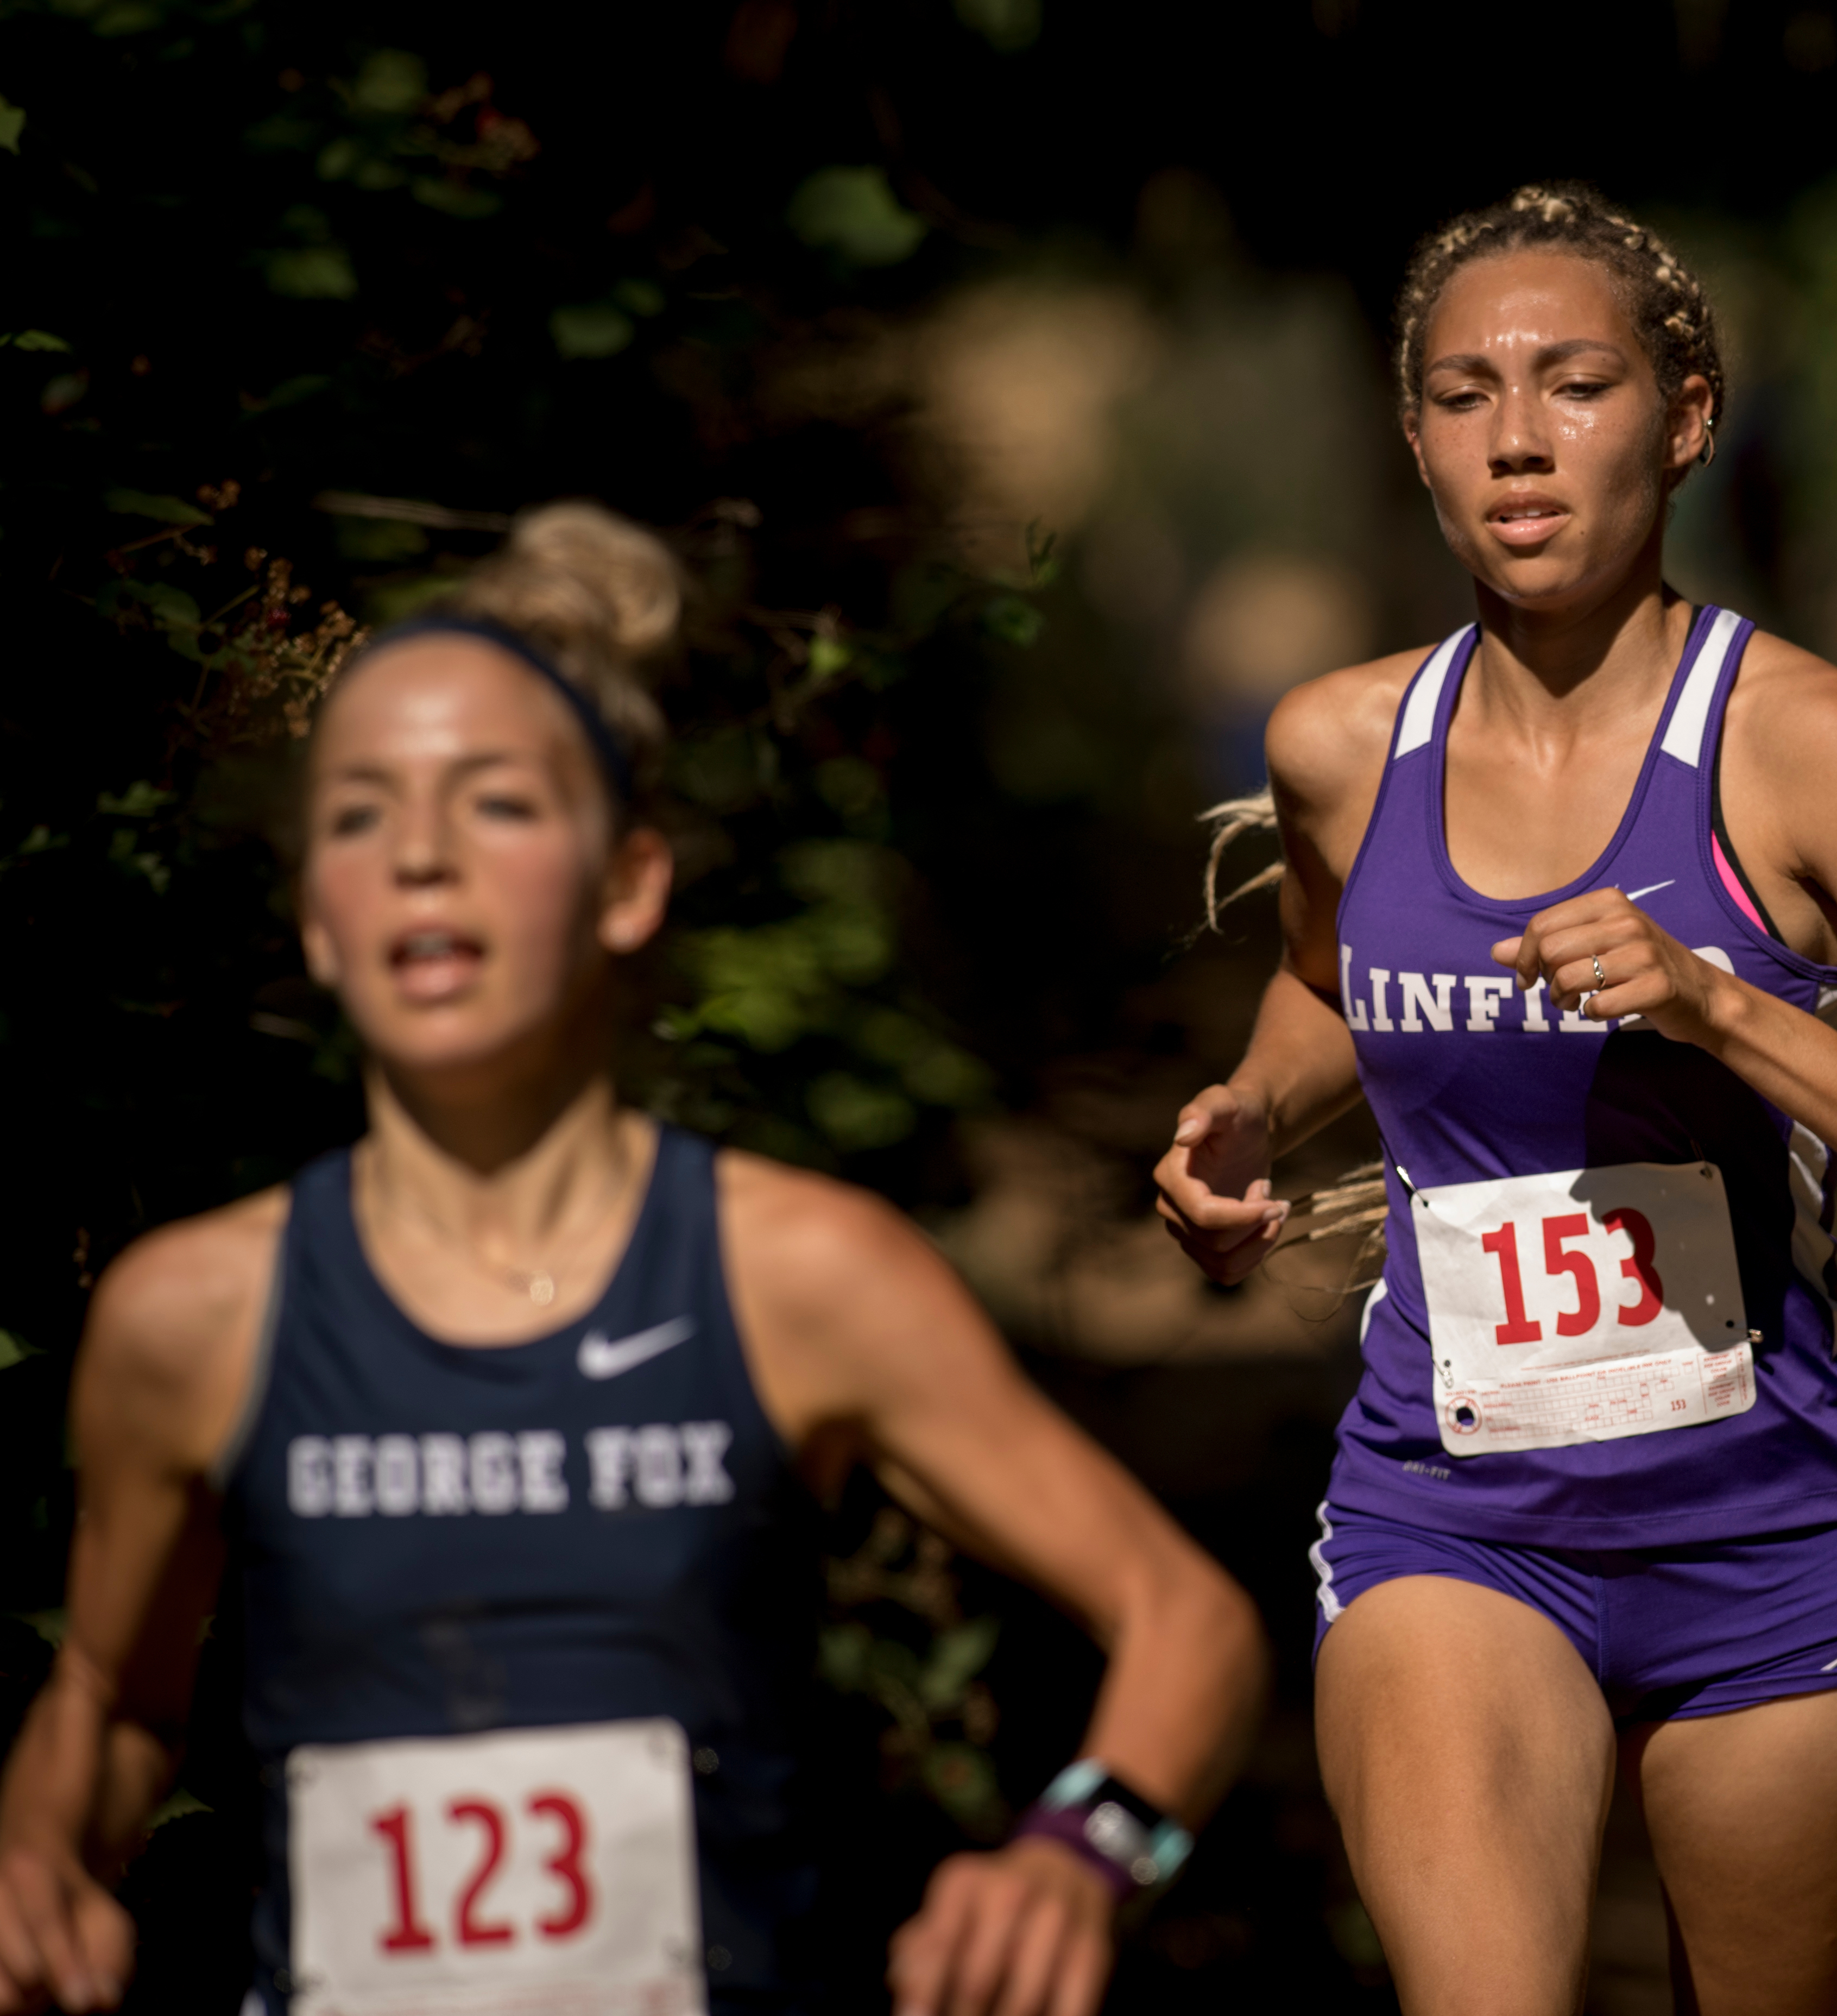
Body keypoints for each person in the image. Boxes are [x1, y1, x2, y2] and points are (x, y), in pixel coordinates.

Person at [0, 503, 1267, 2016]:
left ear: (628, 882)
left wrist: (1079, 1856)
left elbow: (1187, 1620)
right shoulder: (194, 1317)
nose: (419, 857)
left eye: (495, 806)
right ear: (317, 919)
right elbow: (112, 1703)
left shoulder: (798, 1275)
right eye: (359, 816)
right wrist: (34, 1860)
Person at [1151, 184, 1837, 2016]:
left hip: (1775, 1540)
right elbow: (1331, 982)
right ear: (1415, 441)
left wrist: (1724, 1011)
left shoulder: (1802, 742)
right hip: (1453, 1519)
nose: (1516, 438)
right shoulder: (1341, 747)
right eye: (1464, 396)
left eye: (1574, 385)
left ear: (1682, 419)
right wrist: (1255, 1110)